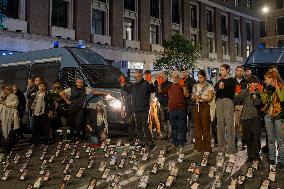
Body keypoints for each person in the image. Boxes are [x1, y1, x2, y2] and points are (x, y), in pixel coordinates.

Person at [121, 71, 155, 149]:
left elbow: (152, 90)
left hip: (144, 108)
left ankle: (150, 142)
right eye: (134, 77)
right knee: (138, 126)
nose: (136, 79)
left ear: (140, 76)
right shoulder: (134, 85)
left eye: (137, 77)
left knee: (145, 125)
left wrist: (150, 82)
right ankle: (141, 140)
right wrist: (123, 84)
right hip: (136, 109)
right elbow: (127, 90)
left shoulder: (146, 83)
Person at [234, 76, 263, 162]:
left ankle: (256, 156)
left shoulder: (259, 92)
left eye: (256, 83)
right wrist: (237, 93)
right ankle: (250, 155)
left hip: (255, 117)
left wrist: (254, 93)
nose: (255, 84)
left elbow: (258, 103)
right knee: (248, 138)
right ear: (249, 84)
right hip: (245, 118)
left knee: (256, 137)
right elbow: (237, 100)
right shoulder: (245, 92)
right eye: (253, 83)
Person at [158, 71, 189, 148]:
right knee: (174, 127)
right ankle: (175, 142)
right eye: (173, 77)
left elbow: (186, 94)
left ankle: (181, 142)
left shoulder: (182, 85)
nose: (175, 78)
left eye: (176, 77)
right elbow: (160, 91)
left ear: (179, 78)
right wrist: (159, 83)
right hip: (172, 109)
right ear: (172, 78)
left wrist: (183, 86)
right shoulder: (170, 86)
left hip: (181, 109)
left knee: (181, 127)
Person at [260, 71, 284, 168]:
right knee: (270, 139)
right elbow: (264, 101)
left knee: (281, 140)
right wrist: (262, 91)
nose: (265, 81)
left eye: (266, 79)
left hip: (279, 116)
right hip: (268, 116)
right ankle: (272, 158)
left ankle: (282, 160)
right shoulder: (267, 88)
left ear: (272, 78)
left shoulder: (282, 86)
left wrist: (276, 87)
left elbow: (282, 98)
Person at [215, 64, 236, 154]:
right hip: (219, 103)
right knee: (220, 125)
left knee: (229, 125)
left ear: (227, 70)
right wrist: (220, 88)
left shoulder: (232, 80)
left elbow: (231, 94)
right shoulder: (219, 81)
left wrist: (224, 88)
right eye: (220, 70)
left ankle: (231, 148)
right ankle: (221, 148)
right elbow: (216, 93)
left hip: (228, 102)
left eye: (223, 70)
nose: (221, 71)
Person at [192, 70, 214, 152]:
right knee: (197, 128)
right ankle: (198, 147)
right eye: (198, 77)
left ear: (205, 77)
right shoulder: (195, 86)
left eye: (201, 77)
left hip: (205, 107)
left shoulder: (209, 86)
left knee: (205, 128)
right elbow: (193, 96)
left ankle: (207, 148)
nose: (199, 79)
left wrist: (200, 98)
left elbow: (209, 98)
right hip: (196, 106)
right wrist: (196, 98)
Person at [181, 67, 196, 144]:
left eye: (184, 72)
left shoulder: (192, 80)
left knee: (191, 121)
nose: (183, 73)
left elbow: (194, 92)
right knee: (184, 121)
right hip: (184, 104)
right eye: (182, 72)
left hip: (191, 104)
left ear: (187, 72)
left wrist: (188, 95)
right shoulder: (181, 81)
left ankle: (191, 137)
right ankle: (185, 137)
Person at [155, 71, 172, 139]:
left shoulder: (170, 84)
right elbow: (157, 94)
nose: (161, 78)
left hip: (168, 104)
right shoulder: (158, 83)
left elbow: (165, 92)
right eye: (160, 77)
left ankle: (170, 134)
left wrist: (160, 87)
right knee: (163, 120)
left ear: (166, 77)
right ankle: (165, 134)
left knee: (170, 120)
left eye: (162, 77)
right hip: (161, 104)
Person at [234, 66, 247, 149]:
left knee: (243, 125)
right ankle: (234, 141)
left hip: (243, 106)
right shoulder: (232, 81)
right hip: (234, 106)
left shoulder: (246, 83)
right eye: (238, 70)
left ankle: (243, 142)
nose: (239, 72)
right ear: (235, 72)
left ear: (243, 72)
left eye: (241, 71)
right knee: (235, 125)